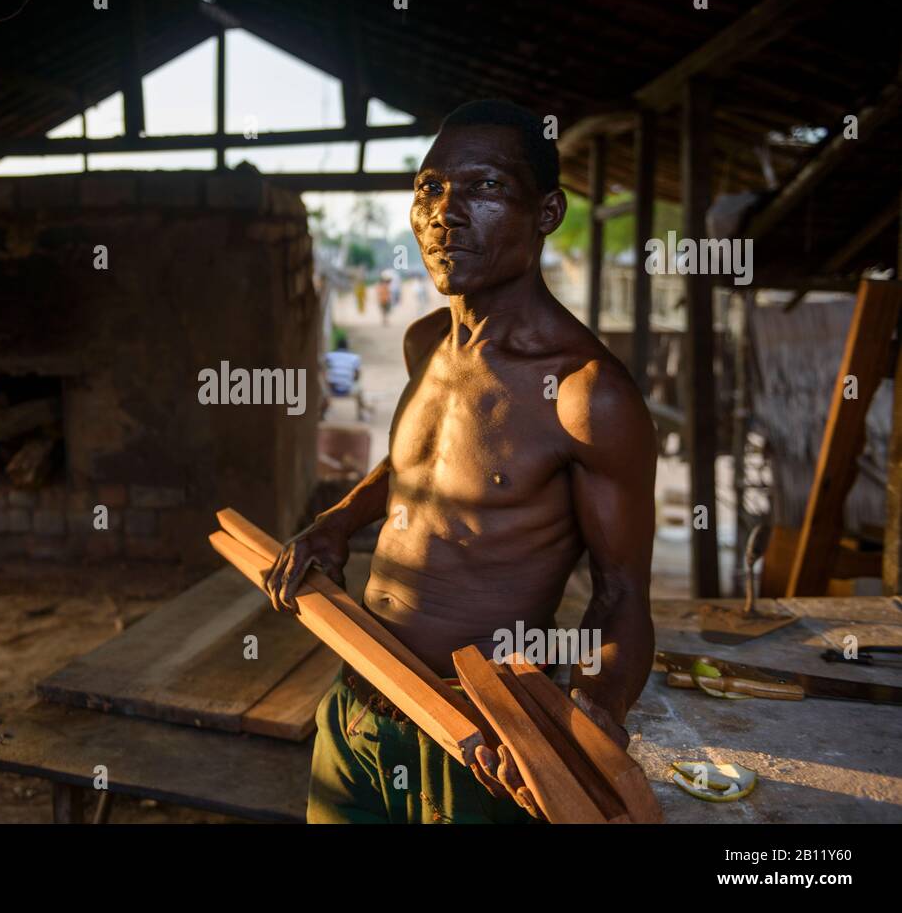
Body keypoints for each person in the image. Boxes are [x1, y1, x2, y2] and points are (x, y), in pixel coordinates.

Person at [266, 100, 656, 824]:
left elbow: (624, 594)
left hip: (474, 746)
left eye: (484, 188)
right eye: (430, 187)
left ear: (547, 213)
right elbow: (411, 472)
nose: (445, 211)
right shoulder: (424, 344)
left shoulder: (585, 395)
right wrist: (337, 519)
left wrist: (592, 709)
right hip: (355, 709)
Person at [323, 334, 365, 421]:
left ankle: (322, 413)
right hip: (347, 388)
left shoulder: (329, 356)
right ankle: (360, 414)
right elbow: (357, 375)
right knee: (360, 391)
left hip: (331, 388)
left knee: (323, 384)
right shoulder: (354, 358)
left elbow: (324, 370)